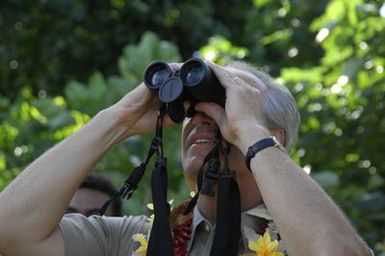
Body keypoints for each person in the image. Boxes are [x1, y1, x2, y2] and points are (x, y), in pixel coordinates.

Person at [0, 60, 373, 256]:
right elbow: (10, 231)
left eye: (222, 108)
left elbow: (337, 253)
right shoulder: (136, 240)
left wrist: (248, 132)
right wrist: (119, 119)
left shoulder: (302, 237)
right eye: (193, 111)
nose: (201, 120)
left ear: (273, 138)